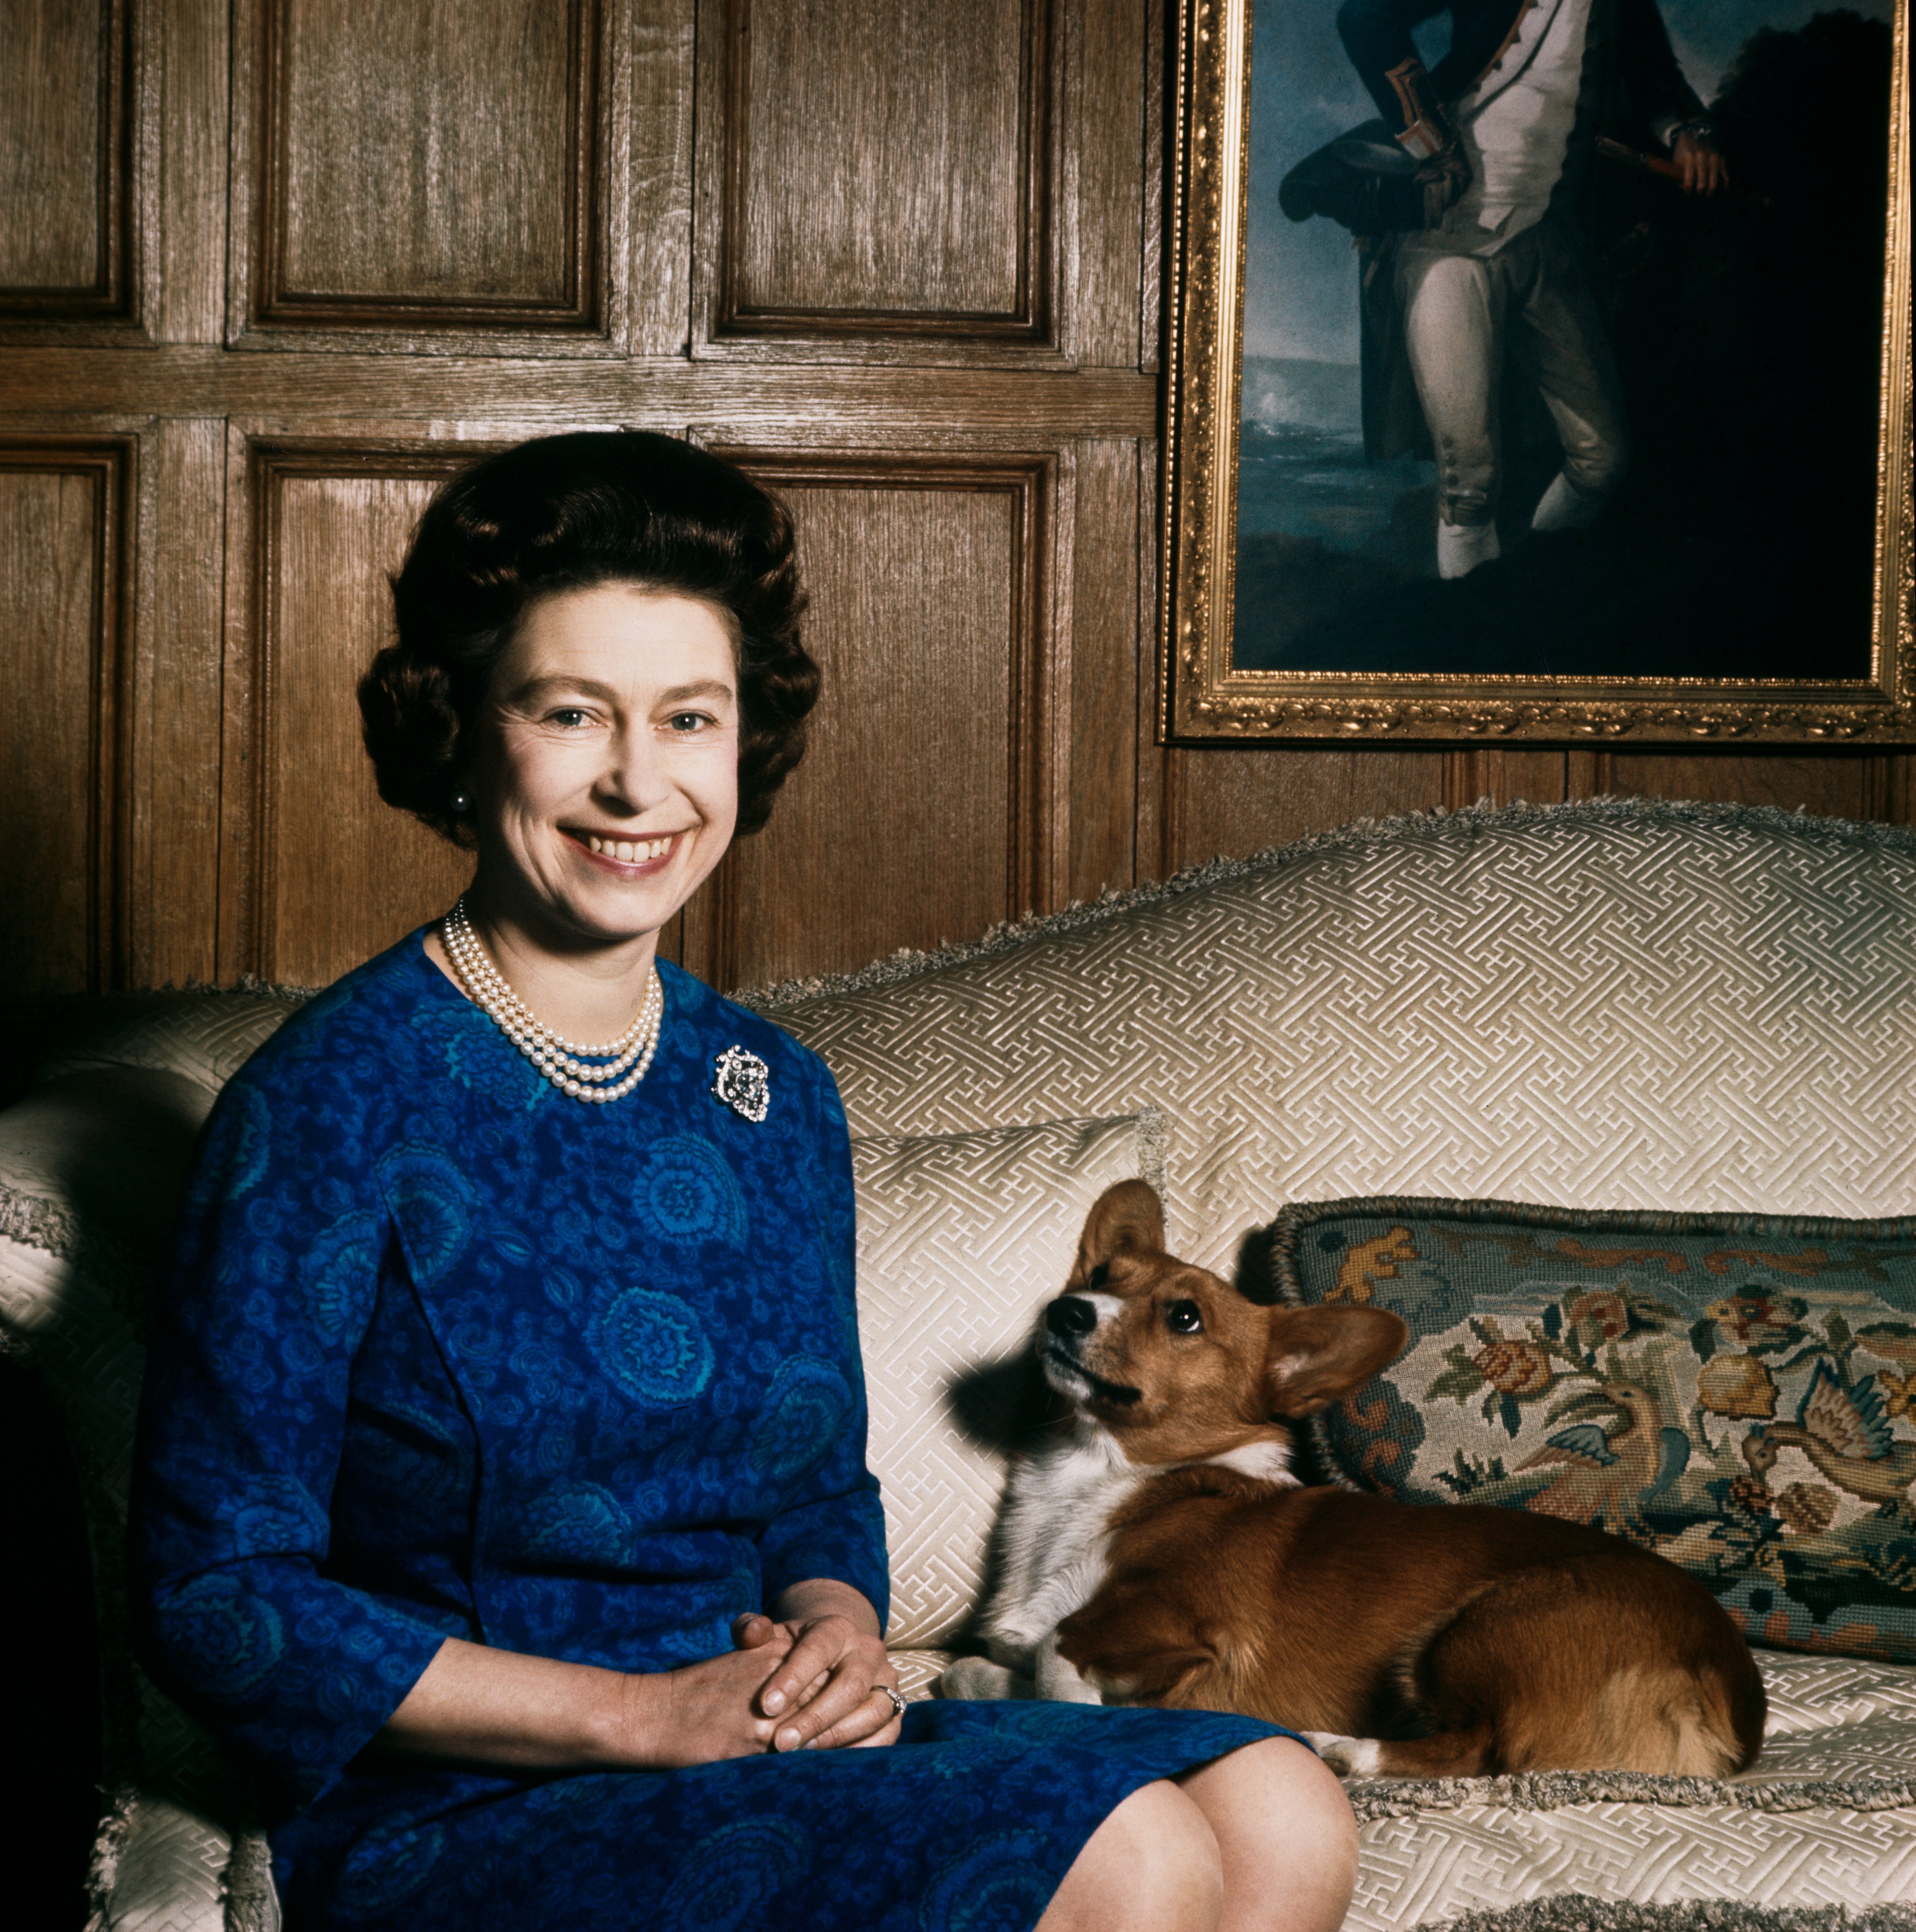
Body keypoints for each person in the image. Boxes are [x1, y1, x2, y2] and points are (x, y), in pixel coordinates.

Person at [130, 430, 1360, 1932]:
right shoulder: (327, 1101)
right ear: (460, 728)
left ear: (742, 742)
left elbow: (815, 1489)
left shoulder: (773, 1094)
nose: (637, 781)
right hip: (478, 1795)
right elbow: (217, 1596)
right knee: (1139, 1854)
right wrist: (627, 1717)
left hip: (754, 1735)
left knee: (1280, 1801)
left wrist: (840, 1629)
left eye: (687, 718)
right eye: (570, 711)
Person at [1336, 0, 1728, 578]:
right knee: (1468, 488)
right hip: (1447, 239)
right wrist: (1431, 143)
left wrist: (1687, 132)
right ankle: (1473, 640)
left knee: (1603, 462)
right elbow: (1364, 18)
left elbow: (1651, 73)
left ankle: (1533, 581)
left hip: (1545, 238)